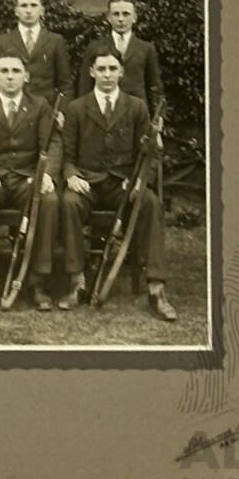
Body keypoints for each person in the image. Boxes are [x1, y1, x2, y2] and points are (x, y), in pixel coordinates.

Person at [58, 49, 177, 320]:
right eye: (102, 69)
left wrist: (138, 182)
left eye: (113, 69)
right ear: (92, 73)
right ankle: (77, 281)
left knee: (150, 203)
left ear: (121, 72)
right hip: (87, 183)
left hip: (123, 185)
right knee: (69, 203)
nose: (107, 75)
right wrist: (72, 175)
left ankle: (156, 288)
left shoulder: (136, 106)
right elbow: (67, 154)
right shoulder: (77, 108)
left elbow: (150, 154)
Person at [0, 56, 62, 311]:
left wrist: (47, 175)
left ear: (26, 77)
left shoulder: (40, 106)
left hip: (27, 177)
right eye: (4, 71)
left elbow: (52, 144)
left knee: (49, 201)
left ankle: (37, 281)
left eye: (16, 71)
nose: (10, 76)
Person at [0, 0, 73, 105]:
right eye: (24, 6)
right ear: (16, 11)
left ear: (42, 10)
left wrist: (62, 112)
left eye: (33, 5)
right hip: (12, 109)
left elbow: (65, 83)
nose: (29, 10)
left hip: (46, 109)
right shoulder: (2, 41)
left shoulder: (55, 40)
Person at [78, 0, 163, 112]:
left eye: (126, 14)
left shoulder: (146, 49)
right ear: (108, 18)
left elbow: (154, 86)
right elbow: (85, 87)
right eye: (116, 14)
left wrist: (158, 115)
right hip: (105, 111)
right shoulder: (95, 48)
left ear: (134, 17)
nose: (121, 19)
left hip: (137, 113)